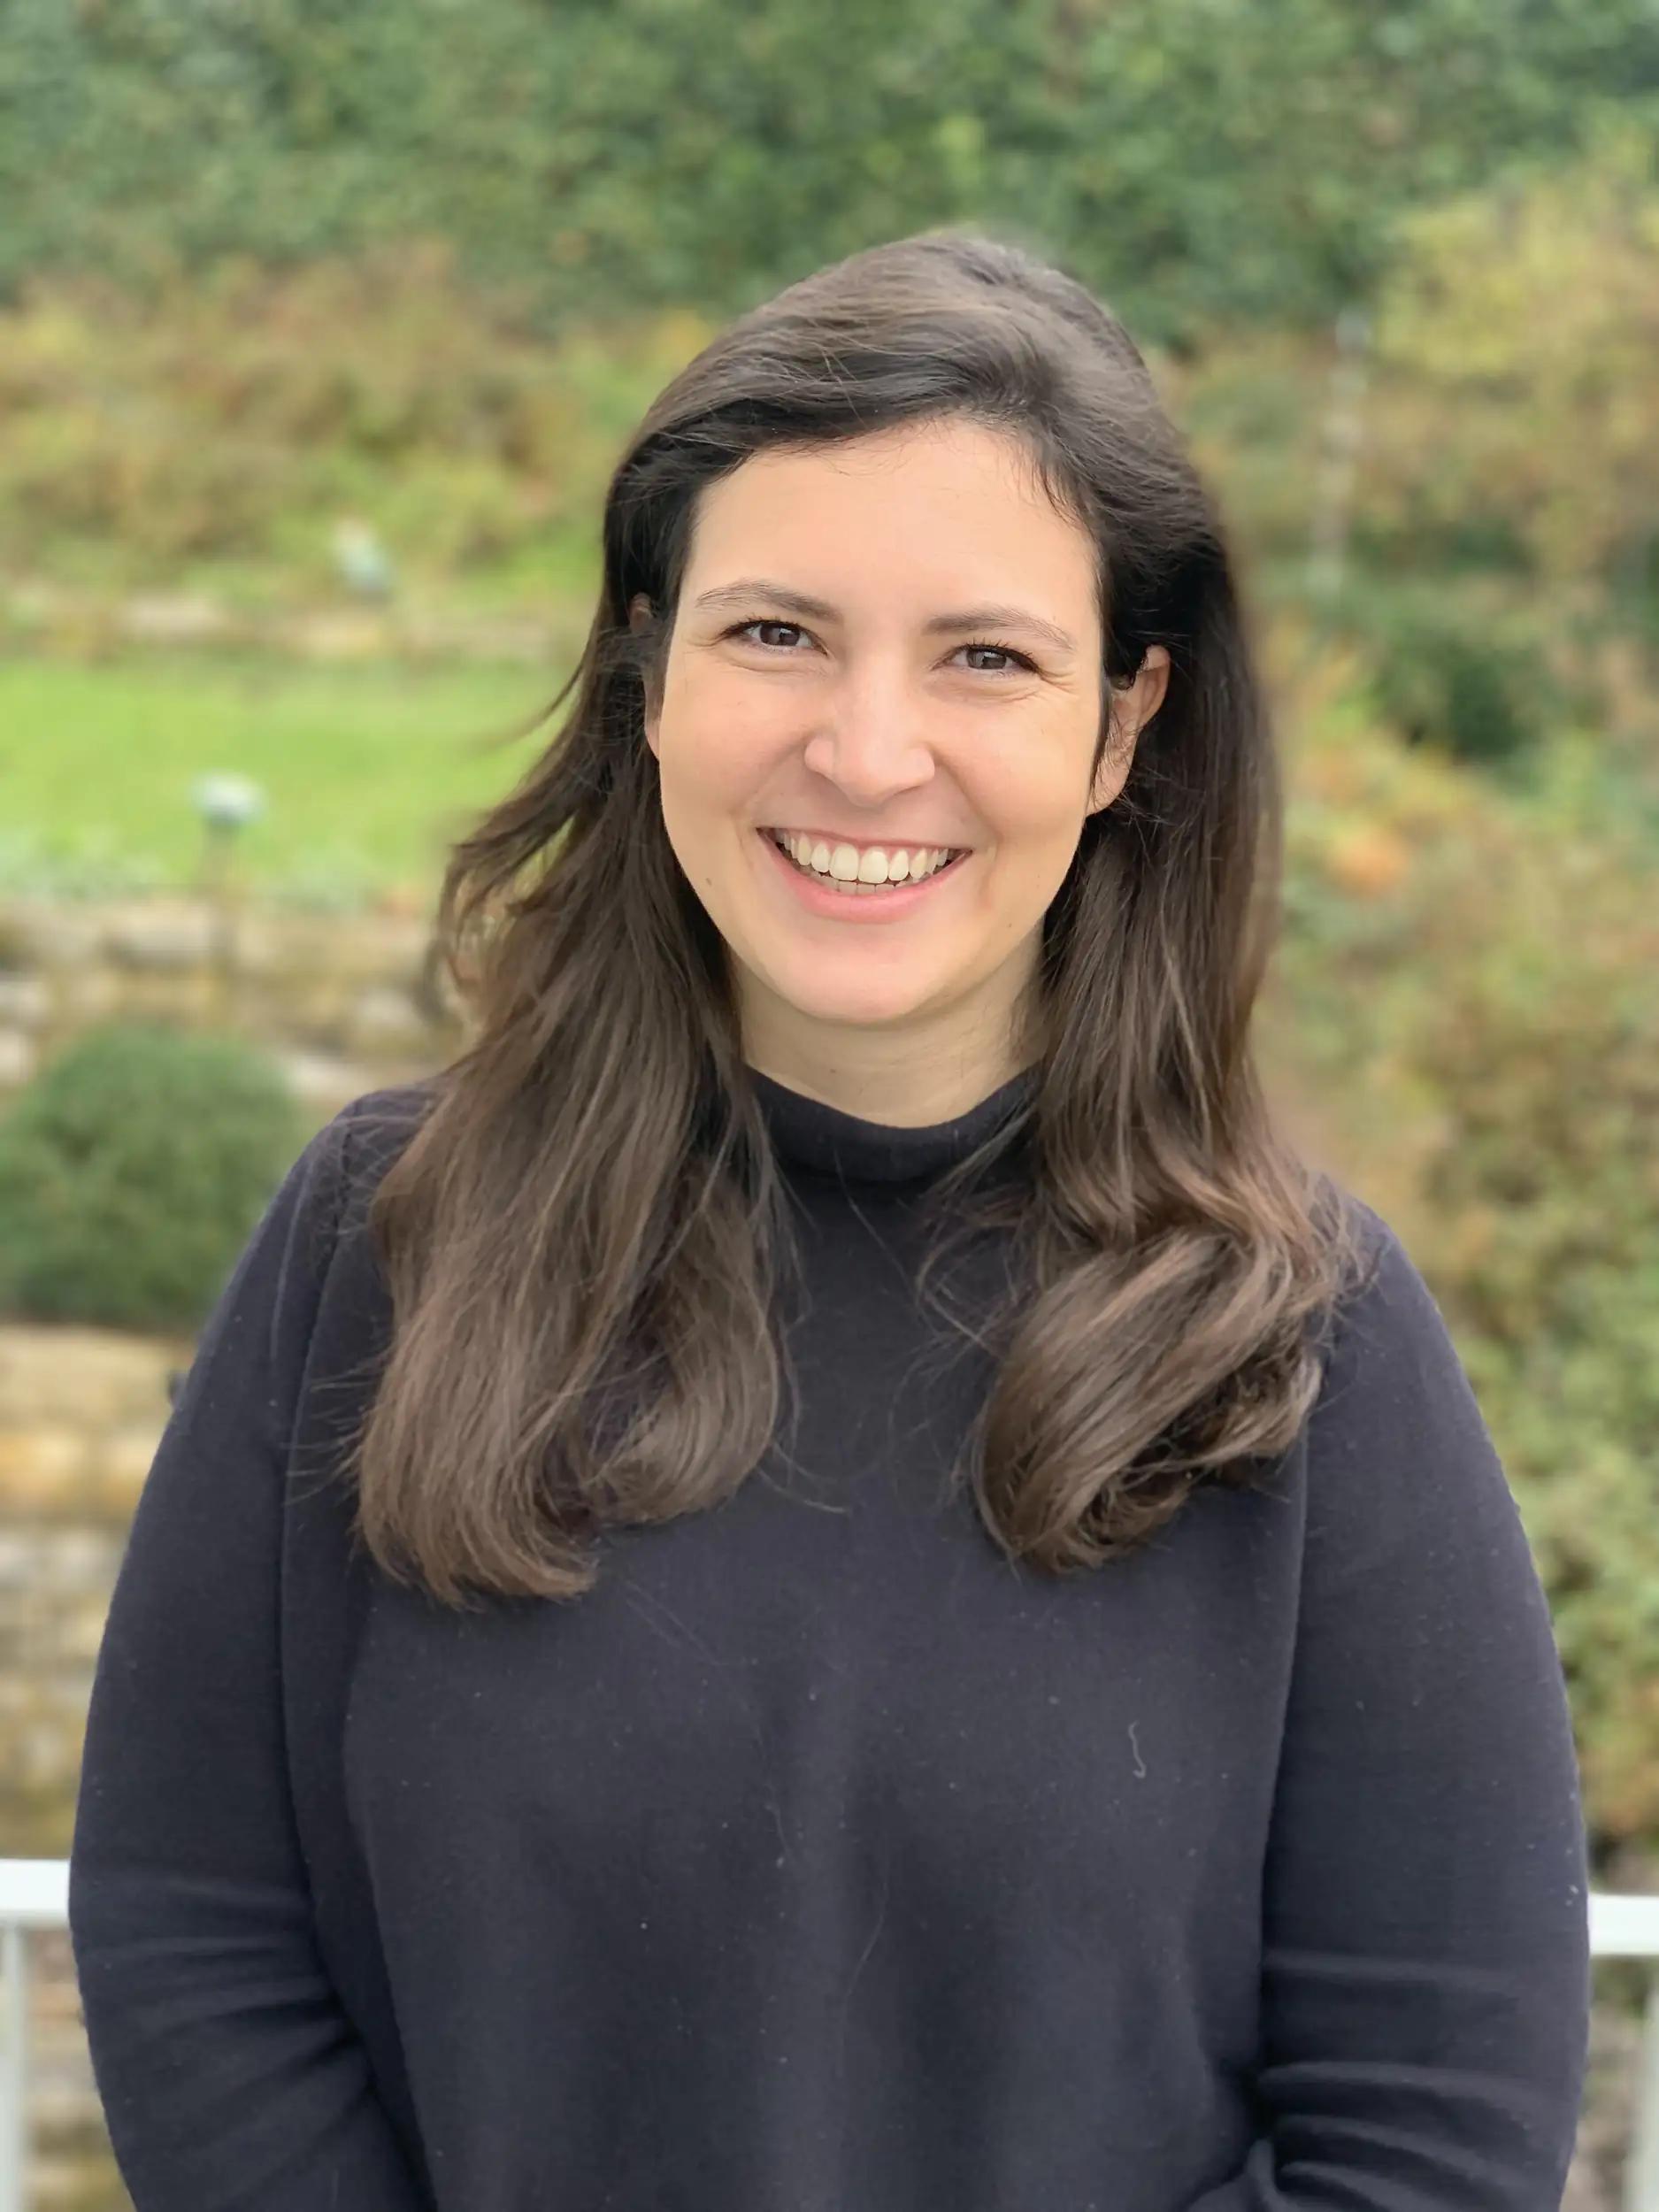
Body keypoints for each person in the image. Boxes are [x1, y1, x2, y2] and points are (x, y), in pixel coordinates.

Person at [68, 227, 1590, 2211]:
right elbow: (198, 1929)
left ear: (1122, 725)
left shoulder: (1305, 1343)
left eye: (984, 656)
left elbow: (1432, 2121)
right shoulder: (379, 1242)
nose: (867, 750)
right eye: (777, 631)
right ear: (644, 668)